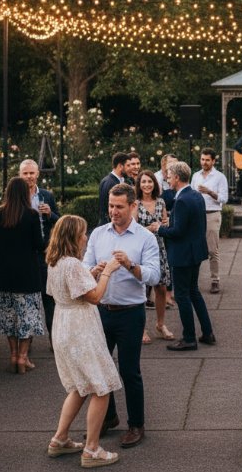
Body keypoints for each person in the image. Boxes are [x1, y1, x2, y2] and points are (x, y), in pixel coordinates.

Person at [83, 183, 162, 448]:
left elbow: (154, 275)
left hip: (131, 313)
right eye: (110, 206)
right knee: (100, 370)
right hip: (101, 311)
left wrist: (130, 265)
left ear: (132, 206)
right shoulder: (98, 234)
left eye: (119, 207)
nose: (113, 212)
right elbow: (84, 267)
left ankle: (137, 425)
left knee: (130, 371)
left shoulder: (145, 238)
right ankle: (109, 417)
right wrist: (94, 270)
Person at [44, 215, 124, 468]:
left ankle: (60, 439)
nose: (86, 237)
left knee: (79, 387)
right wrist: (108, 272)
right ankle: (91, 449)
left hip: (63, 325)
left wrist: (92, 272)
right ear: (73, 237)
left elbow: (69, 290)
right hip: (81, 329)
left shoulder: (55, 262)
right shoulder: (73, 265)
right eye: (83, 233)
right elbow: (95, 297)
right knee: (101, 387)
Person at [0, 177, 45, 374]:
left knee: (8, 318)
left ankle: (12, 355)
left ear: (8, 192)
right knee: (27, 318)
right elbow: (39, 245)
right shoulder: (31, 215)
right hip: (27, 275)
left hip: (4, 275)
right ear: (25, 193)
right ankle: (22, 357)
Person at [157, 161, 216, 351]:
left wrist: (159, 228)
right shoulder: (196, 195)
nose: (167, 178)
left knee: (182, 295)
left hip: (182, 254)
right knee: (194, 292)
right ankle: (207, 333)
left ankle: (189, 338)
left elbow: (178, 232)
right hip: (195, 251)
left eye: (169, 175)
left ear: (176, 177)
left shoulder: (182, 199)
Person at [19, 159, 60, 342]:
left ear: (37, 174)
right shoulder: (15, 197)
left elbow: (59, 221)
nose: (29, 176)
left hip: (45, 254)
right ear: (20, 175)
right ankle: (27, 342)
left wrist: (50, 214)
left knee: (49, 297)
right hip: (25, 254)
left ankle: (54, 339)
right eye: (25, 173)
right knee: (28, 299)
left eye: (31, 173)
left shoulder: (46, 195)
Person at [136, 170, 175, 343]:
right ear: (139, 184)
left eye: (149, 181)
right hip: (141, 250)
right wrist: (148, 229)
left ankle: (160, 324)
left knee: (160, 288)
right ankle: (141, 328)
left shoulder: (160, 202)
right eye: (143, 182)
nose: (146, 185)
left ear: (154, 184)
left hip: (159, 248)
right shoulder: (135, 204)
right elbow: (133, 229)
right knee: (141, 291)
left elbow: (165, 224)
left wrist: (165, 224)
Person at [191, 148, 229, 294]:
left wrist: (209, 192)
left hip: (212, 214)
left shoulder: (220, 177)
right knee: (194, 248)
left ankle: (215, 280)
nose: (204, 162)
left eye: (207, 160)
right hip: (197, 215)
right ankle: (193, 281)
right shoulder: (195, 176)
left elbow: (224, 199)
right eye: (202, 159)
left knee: (212, 250)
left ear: (213, 161)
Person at [98, 152, 131, 227]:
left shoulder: (113, 180)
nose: (130, 168)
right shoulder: (111, 183)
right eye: (128, 165)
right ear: (120, 166)